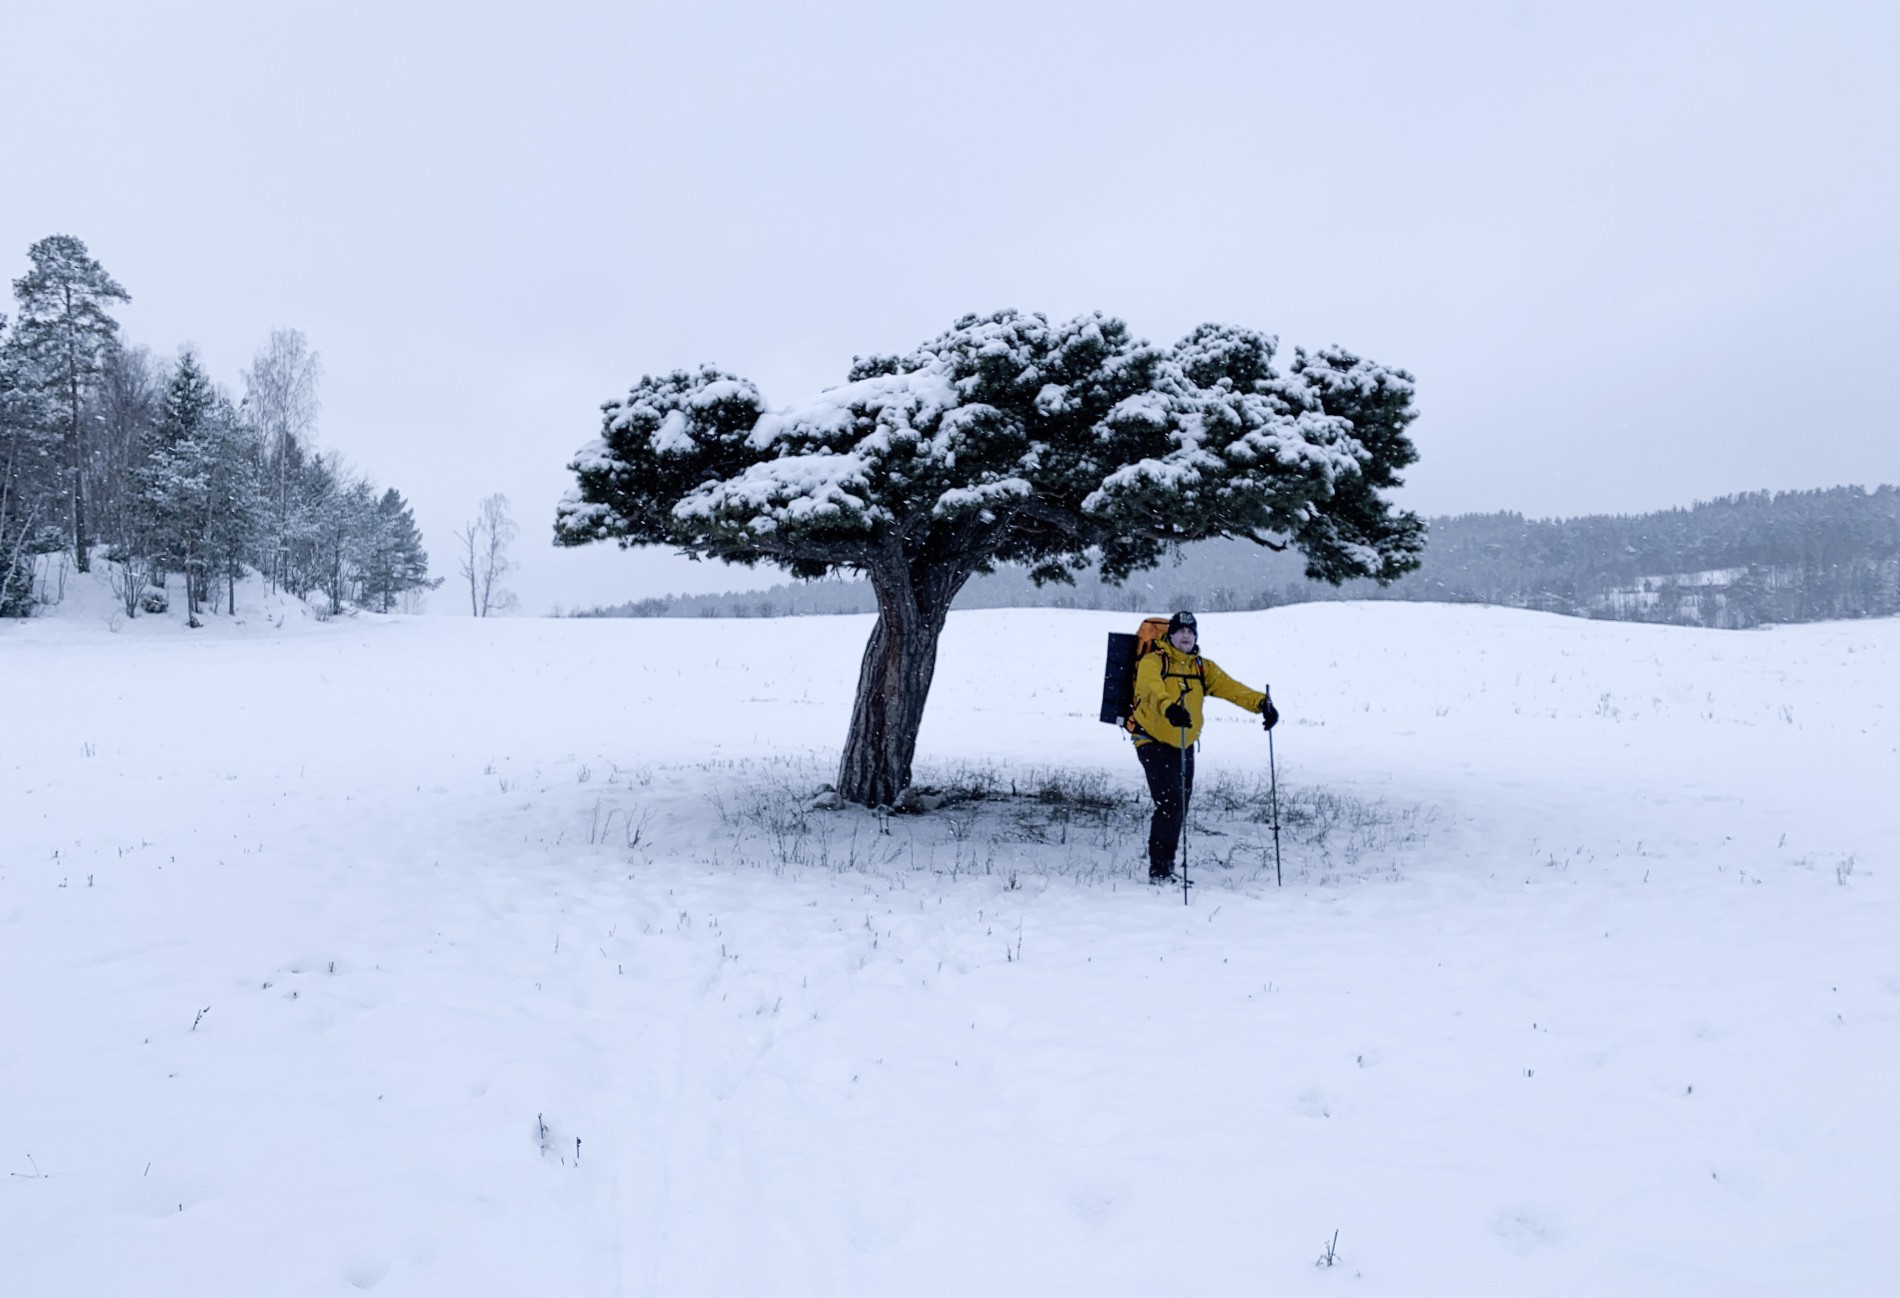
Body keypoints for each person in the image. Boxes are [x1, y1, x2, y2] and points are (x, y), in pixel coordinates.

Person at [1128, 611, 1279, 881]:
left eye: (1191, 632)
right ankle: (1160, 870)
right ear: (1170, 635)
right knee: (1170, 803)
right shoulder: (1153, 661)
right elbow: (1151, 689)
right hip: (1151, 738)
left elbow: (1231, 688)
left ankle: (1166, 864)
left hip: (1184, 741)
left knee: (1180, 804)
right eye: (1180, 631)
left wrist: (1261, 703)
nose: (1186, 636)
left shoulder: (1201, 667)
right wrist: (1169, 708)